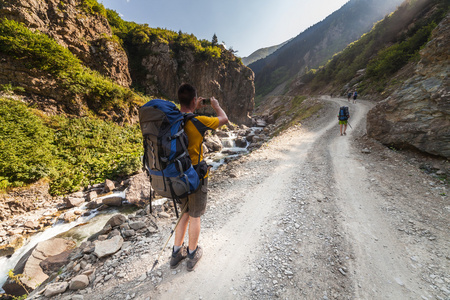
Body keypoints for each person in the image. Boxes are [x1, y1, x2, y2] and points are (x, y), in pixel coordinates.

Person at [170, 83, 228, 271]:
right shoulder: (198, 121)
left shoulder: (173, 119)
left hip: (176, 175)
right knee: (195, 215)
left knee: (183, 214)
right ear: (195, 100)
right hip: (195, 174)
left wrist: (194, 105)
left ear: (179, 100)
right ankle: (193, 253)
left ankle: (176, 252)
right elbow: (224, 119)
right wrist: (215, 105)